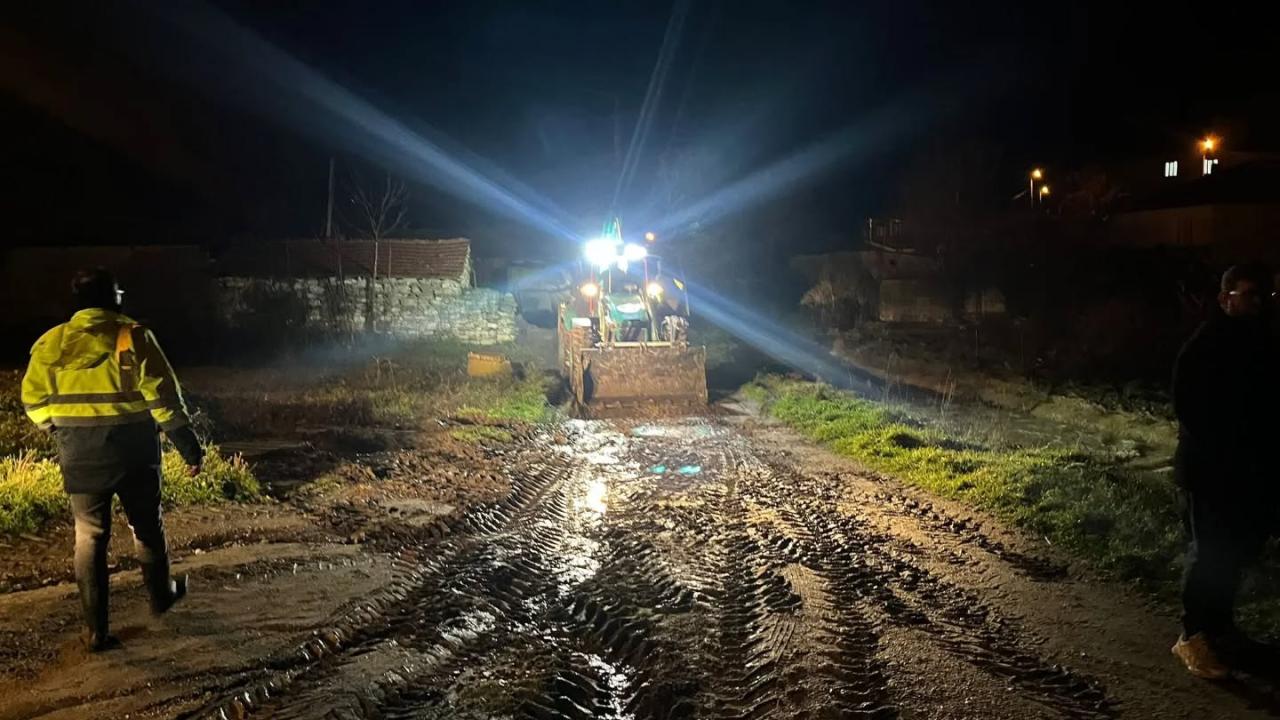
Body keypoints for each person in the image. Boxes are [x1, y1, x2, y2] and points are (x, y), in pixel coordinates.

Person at [21, 269, 201, 651]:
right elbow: (163, 399)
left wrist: (57, 428)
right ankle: (161, 596)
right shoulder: (132, 336)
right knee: (147, 528)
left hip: (80, 455)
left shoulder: (51, 344)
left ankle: (96, 632)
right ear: (114, 299)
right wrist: (188, 446)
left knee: (89, 537)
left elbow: (33, 401)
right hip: (135, 454)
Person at [1170, 263, 1278, 678]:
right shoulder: (1204, 347)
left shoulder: (1262, 344)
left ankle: (1220, 627)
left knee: (1235, 554)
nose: (1255, 303)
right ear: (1224, 298)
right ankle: (1192, 637)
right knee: (1211, 554)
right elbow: (1191, 410)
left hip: (1250, 474)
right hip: (1210, 473)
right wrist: (1228, 454)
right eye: (1247, 294)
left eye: (1261, 296)